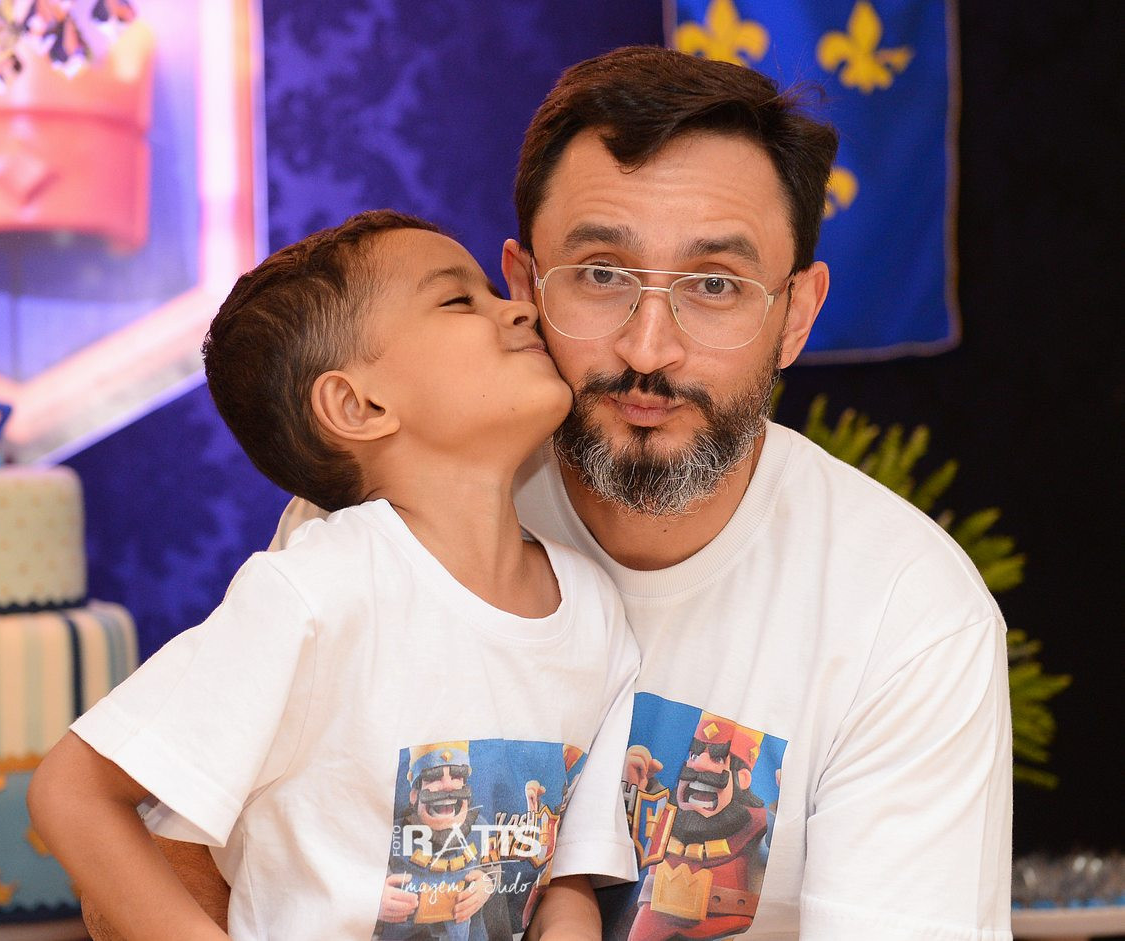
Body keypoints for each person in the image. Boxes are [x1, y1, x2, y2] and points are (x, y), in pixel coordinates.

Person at [268, 47, 1013, 940]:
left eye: (715, 285)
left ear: (796, 316)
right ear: (524, 288)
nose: (649, 348)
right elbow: (196, 843)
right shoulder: (377, 520)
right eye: (602, 274)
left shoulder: (907, 614)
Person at [27, 209, 641, 941]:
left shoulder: (594, 608)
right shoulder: (311, 593)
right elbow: (74, 789)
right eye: (458, 299)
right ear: (358, 405)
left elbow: (566, 877)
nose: (519, 309)